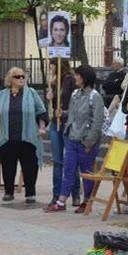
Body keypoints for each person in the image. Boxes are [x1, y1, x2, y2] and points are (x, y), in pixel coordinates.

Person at [46, 64, 105, 213]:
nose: (75, 77)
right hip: (72, 137)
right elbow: (72, 114)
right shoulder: (75, 94)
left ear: (85, 78)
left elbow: (97, 122)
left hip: (85, 140)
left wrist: (89, 141)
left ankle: (87, 201)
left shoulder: (95, 97)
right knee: (69, 169)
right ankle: (61, 201)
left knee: (86, 172)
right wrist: (63, 113)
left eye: (78, 75)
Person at [0, 67, 48, 204]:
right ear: (11, 79)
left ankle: (30, 193)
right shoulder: (1, 95)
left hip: (28, 137)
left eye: (23, 76)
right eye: (17, 76)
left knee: (30, 166)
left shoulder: (31, 93)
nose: (21, 78)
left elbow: (41, 112)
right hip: (6, 137)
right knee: (8, 166)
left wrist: (42, 127)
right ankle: (8, 192)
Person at [46, 60, 77, 207]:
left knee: (71, 160)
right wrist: (50, 98)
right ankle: (56, 194)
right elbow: (52, 106)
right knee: (57, 161)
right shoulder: (53, 82)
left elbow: (75, 104)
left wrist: (64, 112)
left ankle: (75, 193)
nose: (50, 68)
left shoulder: (70, 81)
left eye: (52, 65)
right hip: (55, 123)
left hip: (68, 124)